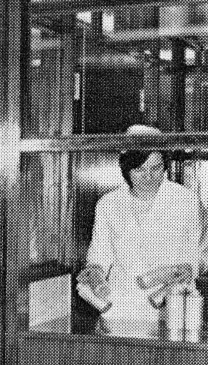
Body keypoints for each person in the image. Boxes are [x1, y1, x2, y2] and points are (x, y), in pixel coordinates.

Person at [79, 124, 201, 326]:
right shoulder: (108, 204)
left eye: (156, 168)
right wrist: (95, 276)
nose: (149, 177)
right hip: (119, 308)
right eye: (139, 169)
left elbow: (196, 253)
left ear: (165, 165)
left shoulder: (186, 200)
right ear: (126, 168)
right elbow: (99, 255)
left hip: (171, 307)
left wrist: (187, 269)